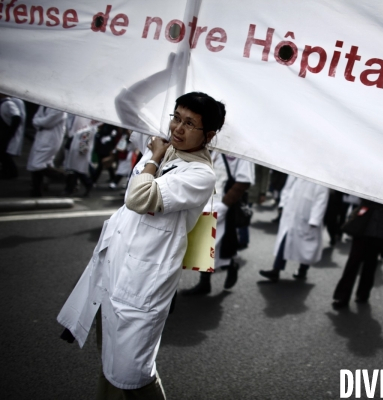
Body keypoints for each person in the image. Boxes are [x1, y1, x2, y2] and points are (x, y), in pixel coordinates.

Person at [57, 92, 225, 398]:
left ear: (209, 135)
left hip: (141, 286)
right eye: (176, 117)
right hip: (114, 270)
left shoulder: (200, 174)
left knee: (135, 374)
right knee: (110, 359)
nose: (177, 127)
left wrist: (153, 159)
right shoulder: (167, 148)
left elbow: (138, 198)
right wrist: (167, 64)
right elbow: (124, 104)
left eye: (190, 123)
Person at [184, 151, 254, 295]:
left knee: (211, 244)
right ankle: (207, 281)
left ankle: (227, 267)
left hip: (223, 203)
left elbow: (244, 181)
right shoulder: (216, 147)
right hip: (206, 201)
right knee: (205, 244)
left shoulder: (242, 152)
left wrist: (225, 205)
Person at [259, 176, 329, 281]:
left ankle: (303, 269)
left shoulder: (321, 177)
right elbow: (287, 188)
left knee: (306, 247)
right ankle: (276, 269)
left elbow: (321, 199)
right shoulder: (296, 172)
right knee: (285, 240)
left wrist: (315, 219)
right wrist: (282, 204)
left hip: (307, 216)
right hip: (291, 213)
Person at [331, 199, 383, 309]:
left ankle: (362, 294)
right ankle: (343, 296)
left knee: (370, 264)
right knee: (354, 262)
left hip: (379, 227)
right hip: (364, 224)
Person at [26, 105, 67, 196]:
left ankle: (68, 178)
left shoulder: (59, 109)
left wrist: (38, 122)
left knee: (37, 165)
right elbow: (35, 119)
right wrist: (39, 122)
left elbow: (47, 123)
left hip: (51, 140)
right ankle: (36, 190)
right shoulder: (43, 105)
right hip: (41, 138)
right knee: (38, 164)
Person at [63, 116, 99, 196]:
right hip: (77, 153)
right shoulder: (87, 128)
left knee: (77, 171)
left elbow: (85, 141)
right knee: (77, 172)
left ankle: (71, 188)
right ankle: (83, 186)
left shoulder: (90, 129)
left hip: (80, 154)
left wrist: (82, 151)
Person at [0, 94, 26, 179]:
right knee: (4, 153)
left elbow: (17, 117)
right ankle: (6, 172)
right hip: (6, 131)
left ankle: (12, 173)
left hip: (8, 131)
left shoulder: (9, 103)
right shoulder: (5, 103)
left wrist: (10, 132)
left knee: (5, 154)